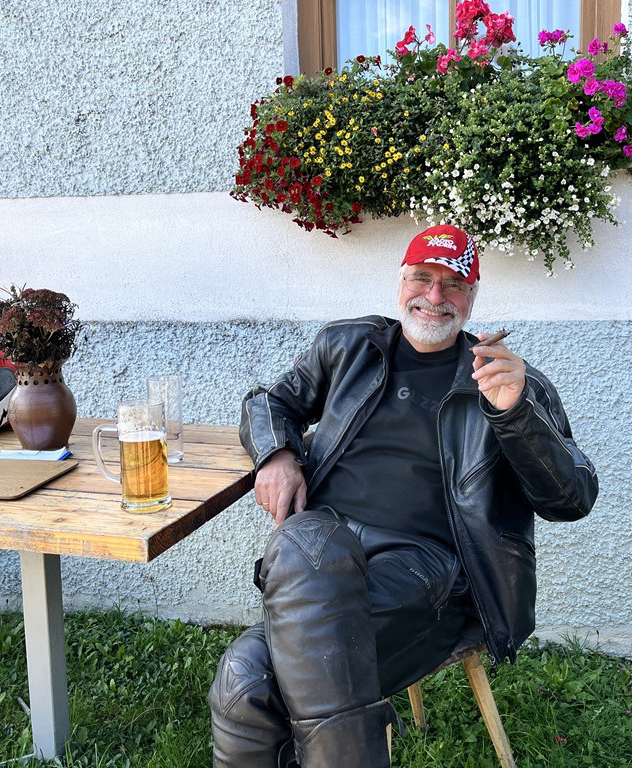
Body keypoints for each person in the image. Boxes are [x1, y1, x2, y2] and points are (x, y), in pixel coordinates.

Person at [209, 224, 598, 768]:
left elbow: (572, 498)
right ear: (401, 282)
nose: (435, 296)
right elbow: (271, 401)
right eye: (422, 278)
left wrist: (515, 415)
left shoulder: (508, 382)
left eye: (453, 284)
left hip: (427, 567)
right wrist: (277, 455)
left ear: (472, 297)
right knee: (301, 554)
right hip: (322, 553)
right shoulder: (349, 346)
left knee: (248, 677)